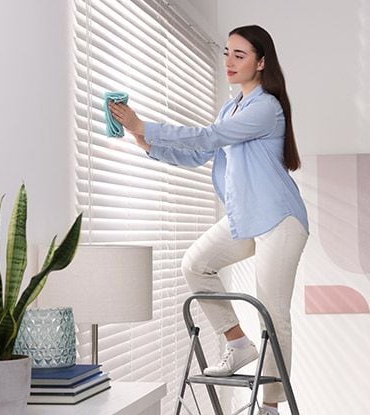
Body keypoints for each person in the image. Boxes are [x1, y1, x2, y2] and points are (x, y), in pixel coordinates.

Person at [109, 25, 308, 415]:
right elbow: (200, 154)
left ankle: (269, 406)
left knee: (272, 310)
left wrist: (145, 125)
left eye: (240, 55)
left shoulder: (266, 107)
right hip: (244, 217)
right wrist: (145, 142)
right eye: (227, 53)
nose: (229, 62)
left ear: (261, 62)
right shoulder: (230, 107)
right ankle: (237, 344)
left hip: (279, 220)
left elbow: (207, 137)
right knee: (196, 264)